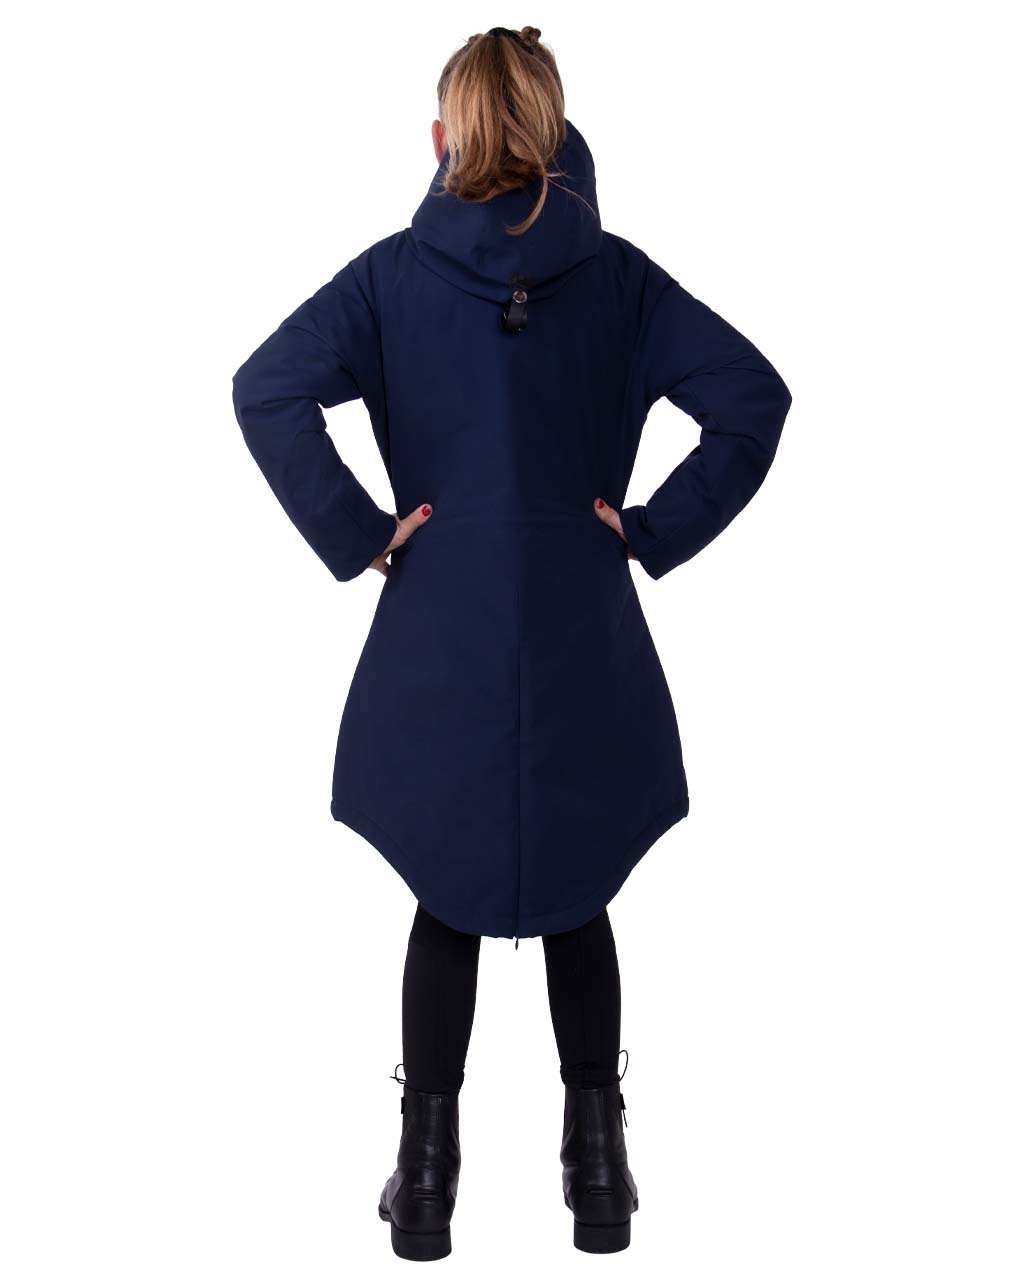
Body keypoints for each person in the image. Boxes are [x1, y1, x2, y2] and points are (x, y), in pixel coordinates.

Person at [231, 24, 792, 1262]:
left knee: (447, 895)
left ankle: (425, 1183)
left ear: (443, 138)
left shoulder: (390, 279)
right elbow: (752, 400)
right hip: (583, 627)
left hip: (440, 630)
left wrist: (362, 533)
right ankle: (600, 1175)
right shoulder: (620, 280)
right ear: (555, 126)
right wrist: (648, 530)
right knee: (578, 893)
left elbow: (265, 387)